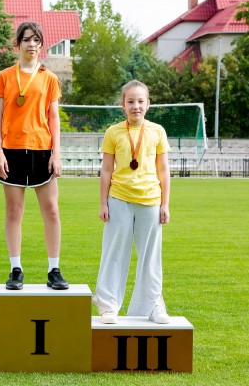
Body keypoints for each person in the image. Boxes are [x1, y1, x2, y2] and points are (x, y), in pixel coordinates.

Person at [0, 21, 68, 290]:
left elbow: (54, 117)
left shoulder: (50, 78)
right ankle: (15, 269)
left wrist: (56, 153)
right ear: (18, 44)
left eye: (36, 40)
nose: (31, 44)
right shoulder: (5, 76)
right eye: (26, 40)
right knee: (14, 211)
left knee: (52, 211)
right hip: (11, 150)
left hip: (42, 149)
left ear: (41, 44)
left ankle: (54, 269)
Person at [92, 80, 172, 325]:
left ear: (148, 104)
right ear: (122, 105)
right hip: (119, 199)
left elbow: (164, 170)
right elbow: (106, 170)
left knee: (150, 257)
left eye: (140, 101)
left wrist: (165, 204)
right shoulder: (113, 132)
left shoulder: (157, 131)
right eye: (130, 101)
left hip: (150, 200)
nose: (135, 106)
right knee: (114, 253)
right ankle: (107, 306)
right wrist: (103, 203)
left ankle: (152, 305)